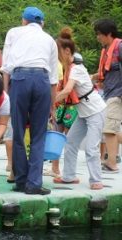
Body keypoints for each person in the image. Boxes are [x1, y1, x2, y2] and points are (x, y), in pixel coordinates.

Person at [2, 6, 58, 195]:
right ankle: (34, 184)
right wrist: (52, 105)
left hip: (20, 79)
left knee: (17, 132)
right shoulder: (49, 39)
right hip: (42, 80)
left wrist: (5, 93)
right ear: (41, 23)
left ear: (24, 21)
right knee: (38, 135)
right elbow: (53, 78)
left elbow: (7, 67)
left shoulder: (14, 33)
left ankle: (20, 180)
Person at [53, 27, 106, 190]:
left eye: (58, 52)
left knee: (91, 147)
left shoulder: (76, 69)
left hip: (96, 111)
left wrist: (49, 102)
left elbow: (68, 90)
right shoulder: (68, 69)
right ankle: (69, 177)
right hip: (83, 114)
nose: (56, 56)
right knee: (70, 142)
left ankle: (96, 180)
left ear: (67, 51)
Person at [91, 19, 122, 173]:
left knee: (109, 129)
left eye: (99, 34)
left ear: (108, 34)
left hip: (118, 94)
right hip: (108, 92)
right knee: (111, 128)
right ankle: (111, 160)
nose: (97, 37)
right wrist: (91, 77)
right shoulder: (106, 50)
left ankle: (112, 164)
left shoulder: (120, 47)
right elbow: (106, 72)